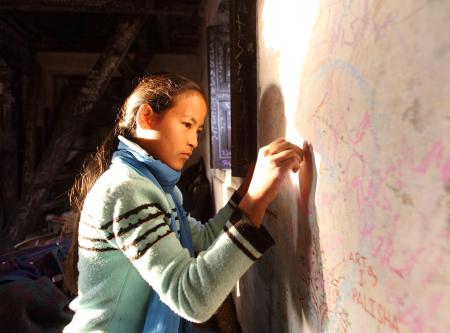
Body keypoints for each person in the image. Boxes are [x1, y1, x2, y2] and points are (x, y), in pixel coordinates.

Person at [64, 72, 304, 332]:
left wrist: (245, 193)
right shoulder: (125, 190)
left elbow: (202, 241)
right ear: (146, 117)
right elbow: (192, 299)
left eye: (199, 130)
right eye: (187, 124)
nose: (193, 141)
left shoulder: (157, 187)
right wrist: (258, 199)